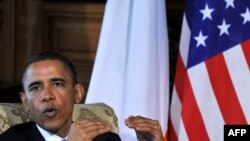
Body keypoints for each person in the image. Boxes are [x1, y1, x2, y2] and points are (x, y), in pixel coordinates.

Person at [0, 52, 163, 141]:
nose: (47, 95)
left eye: (57, 84)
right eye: (36, 87)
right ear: (25, 101)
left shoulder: (105, 140)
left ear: (77, 93)